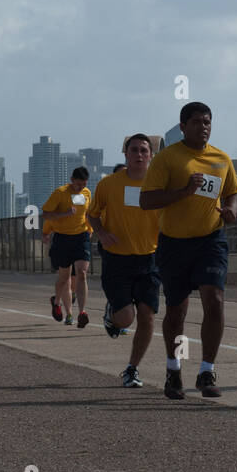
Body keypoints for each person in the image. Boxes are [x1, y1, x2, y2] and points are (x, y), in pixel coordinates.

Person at [140, 101, 237, 400]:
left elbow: (233, 191)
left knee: (215, 300)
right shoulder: (168, 158)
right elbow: (147, 201)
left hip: (210, 240)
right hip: (174, 243)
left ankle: (207, 370)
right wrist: (183, 191)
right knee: (177, 310)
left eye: (207, 121)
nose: (203, 127)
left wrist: (232, 210)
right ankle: (174, 369)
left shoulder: (221, 159)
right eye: (196, 122)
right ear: (183, 126)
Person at [88, 136, 161, 388]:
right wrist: (102, 233)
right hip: (117, 259)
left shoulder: (160, 184)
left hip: (149, 259)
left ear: (151, 155)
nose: (139, 155)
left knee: (147, 314)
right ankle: (113, 315)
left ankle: (132, 369)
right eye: (134, 150)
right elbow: (92, 215)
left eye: (144, 150)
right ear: (125, 154)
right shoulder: (109, 185)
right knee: (126, 319)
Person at [42, 167, 93, 327]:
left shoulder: (87, 193)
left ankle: (82, 312)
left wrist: (90, 229)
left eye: (83, 185)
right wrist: (64, 215)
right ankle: (56, 302)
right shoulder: (60, 193)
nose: (80, 188)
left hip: (81, 237)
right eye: (77, 184)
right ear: (72, 180)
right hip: (63, 238)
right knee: (64, 277)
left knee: (82, 273)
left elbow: (87, 214)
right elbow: (46, 214)